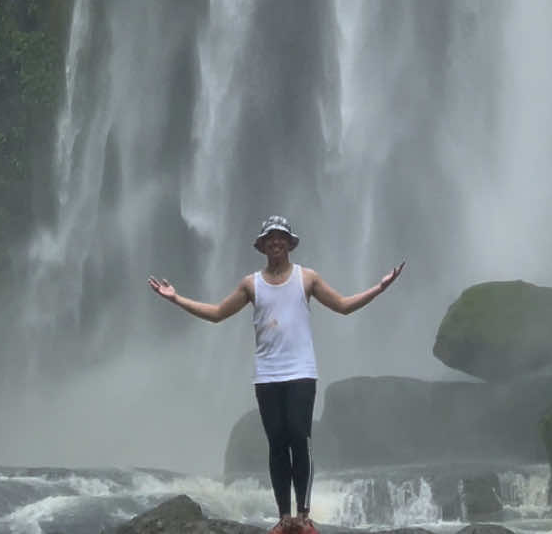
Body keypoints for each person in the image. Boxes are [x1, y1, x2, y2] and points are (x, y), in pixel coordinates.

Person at [149, 214, 405, 532]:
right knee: (277, 443)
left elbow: (342, 305)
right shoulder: (250, 284)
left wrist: (379, 289)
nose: (276, 241)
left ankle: (305, 515)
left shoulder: (306, 278)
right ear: (262, 245)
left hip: (301, 372)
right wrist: (176, 299)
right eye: (270, 237)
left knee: (300, 437)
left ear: (289, 243)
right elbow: (217, 314)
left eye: (281, 236)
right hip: (267, 376)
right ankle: (284, 517)